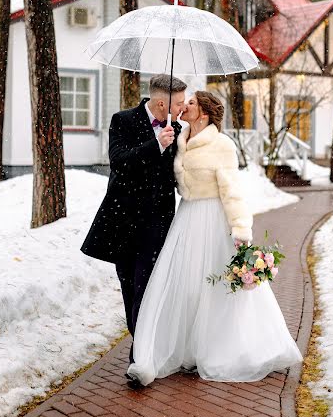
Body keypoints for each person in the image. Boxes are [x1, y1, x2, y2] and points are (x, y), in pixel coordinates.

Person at [127, 91, 303, 386]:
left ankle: (224, 347)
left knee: (215, 288)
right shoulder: (180, 139)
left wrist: (241, 230)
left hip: (213, 218)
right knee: (184, 285)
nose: (185, 106)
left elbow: (232, 191)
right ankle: (178, 350)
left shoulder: (222, 145)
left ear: (205, 113)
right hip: (186, 217)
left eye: (192, 103)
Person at [81, 74, 187, 366]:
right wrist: (156, 145)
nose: (181, 109)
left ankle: (141, 353)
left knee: (147, 285)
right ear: (162, 103)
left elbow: (179, 175)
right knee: (129, 286)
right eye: (178, 103)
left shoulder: (177, 129)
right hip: (123, 220)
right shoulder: (123, 120)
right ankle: (140, 339)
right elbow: (119, 161)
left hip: (157, 223)